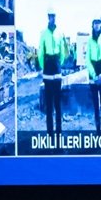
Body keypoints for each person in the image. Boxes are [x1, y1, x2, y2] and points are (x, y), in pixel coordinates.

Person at [38, 9, 66, 138]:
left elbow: (63, 52)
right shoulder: (43, 33)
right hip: (48, 71)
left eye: (53, 16)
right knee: (49, 106)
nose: (52, 18)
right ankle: (50, 135)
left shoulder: (60, 33)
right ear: (47, 17)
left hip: (57, 71)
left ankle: (59, 133)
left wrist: (59, 63)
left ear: (56, 17)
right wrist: (45, 67)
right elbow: (40, 53)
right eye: (50, 16)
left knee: (58, 105)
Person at [86, 17, 101, 134]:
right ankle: (98, 131)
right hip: (93, 79)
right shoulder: (89, 41)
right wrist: (94, 75)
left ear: (100, 25)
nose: (97, 25)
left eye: (98, 23)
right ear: (92, 25)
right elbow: (87, 60)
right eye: (95, 23)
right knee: (96, 106)